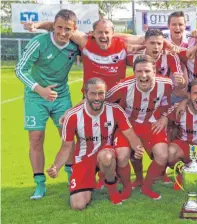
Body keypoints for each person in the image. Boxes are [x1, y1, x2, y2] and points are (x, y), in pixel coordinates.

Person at [47, 77, 145, 209]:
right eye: (93, 93)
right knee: (77, 205)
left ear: (105, 94)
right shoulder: (73, 116)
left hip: (106, 153)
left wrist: (138, 148)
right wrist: (56, 167)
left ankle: (113, 190)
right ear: (86, 94)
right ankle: (89, 183)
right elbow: (66, 147)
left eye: (101, 93)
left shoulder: (115, 110)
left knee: (106, 157)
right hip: (84, 159)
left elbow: (131, 135)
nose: (97, 98)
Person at [16, 9, 80, 199]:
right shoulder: (39, 43)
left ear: (74, 29)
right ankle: (39, 184)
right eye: (58, 27)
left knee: (68, 137)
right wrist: (39, 89)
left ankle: (71, 177)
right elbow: (20, 70)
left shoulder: (75, 45)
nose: (62, 32)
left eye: (67, 29)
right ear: (53, 26)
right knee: (36, 138)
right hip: (36, 97)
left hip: (61, 97)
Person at [106, 55, 184, 199]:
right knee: (122, 156)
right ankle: (127, 187)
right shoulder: (123, 86)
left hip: (152, 124)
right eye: (139, 71)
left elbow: (173, 102)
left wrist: (165, 116)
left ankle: (146, 187)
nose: (143, 75)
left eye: (147, 71)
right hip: (127, 126)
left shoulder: (166, 83)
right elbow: (102, 100)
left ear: (154, 70)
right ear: (134, 72)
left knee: (162, 155)